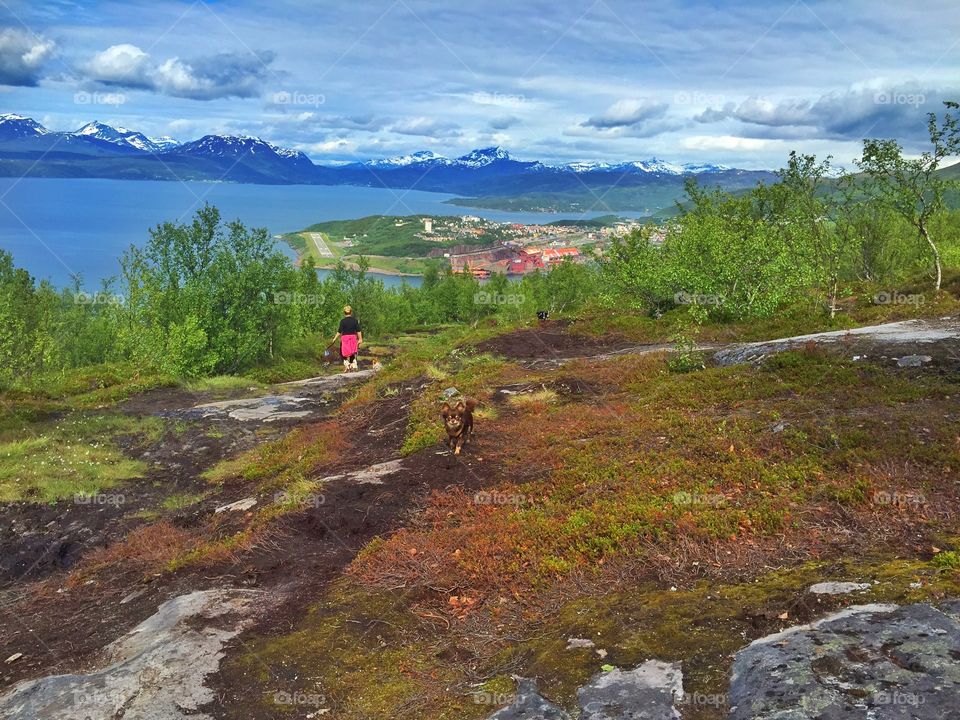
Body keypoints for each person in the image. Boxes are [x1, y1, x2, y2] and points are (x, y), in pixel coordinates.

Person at [332, 305, 362, 372]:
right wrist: (360, 339)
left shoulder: (342, 321)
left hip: (345, 339)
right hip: (353, 338)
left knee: (343, 353)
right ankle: (353, 364)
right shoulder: (355, 321)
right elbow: (358, 330)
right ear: (351, 312)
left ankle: (347, 364)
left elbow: (339, 331)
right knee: (352, 352)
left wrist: (334, 338)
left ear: (344, 313)